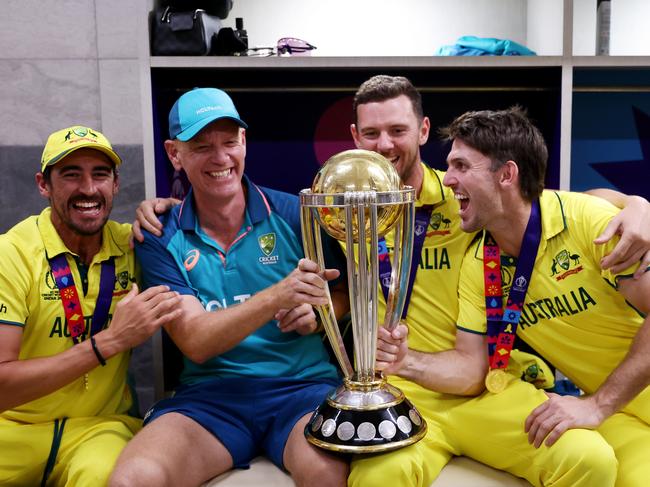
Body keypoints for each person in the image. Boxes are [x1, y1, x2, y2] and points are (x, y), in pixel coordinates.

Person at [132, 76, 650, 486]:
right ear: (354, 138)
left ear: (423, 132)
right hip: (390, 386)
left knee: (589, 462)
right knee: (372, 476)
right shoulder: (336, 207)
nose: (385, 144)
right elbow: (335, 291)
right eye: (371, 133)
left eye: (398, 131)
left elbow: (551, 205)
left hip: (481, 381)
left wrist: (639, 205)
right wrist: (319, 311)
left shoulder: (467, 199)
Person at [109, 87, 349, 487]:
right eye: (201, 146)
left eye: (229, 142)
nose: (220, 158)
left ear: (244, 143)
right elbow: (196, 341)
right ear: (174, 154)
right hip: (210, 400)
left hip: (302, 390)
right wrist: (277, 294)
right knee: (132, 480)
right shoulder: (159, 235)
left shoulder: (296, 215)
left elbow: (340, 294)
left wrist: (321, 312)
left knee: (327, 473)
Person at [442, 106, 650, 487]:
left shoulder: (589, 221)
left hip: (611, 401)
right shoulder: (479, 264)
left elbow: (590, 204)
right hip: (622, 411)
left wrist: (597, 404)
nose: (447, 180)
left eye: (460, 166)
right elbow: (469, 363)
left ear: (506, 174)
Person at [0, 126, 182, 486]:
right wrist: (109, 342)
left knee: (108, 476)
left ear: (115, 184)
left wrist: (174, 212)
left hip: (99, 430)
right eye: (71, 175)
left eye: (100, 174)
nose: (88, 189)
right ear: (43, 184)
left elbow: (203, 243)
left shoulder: (135, 243)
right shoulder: (12, 253)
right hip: (11, 429)